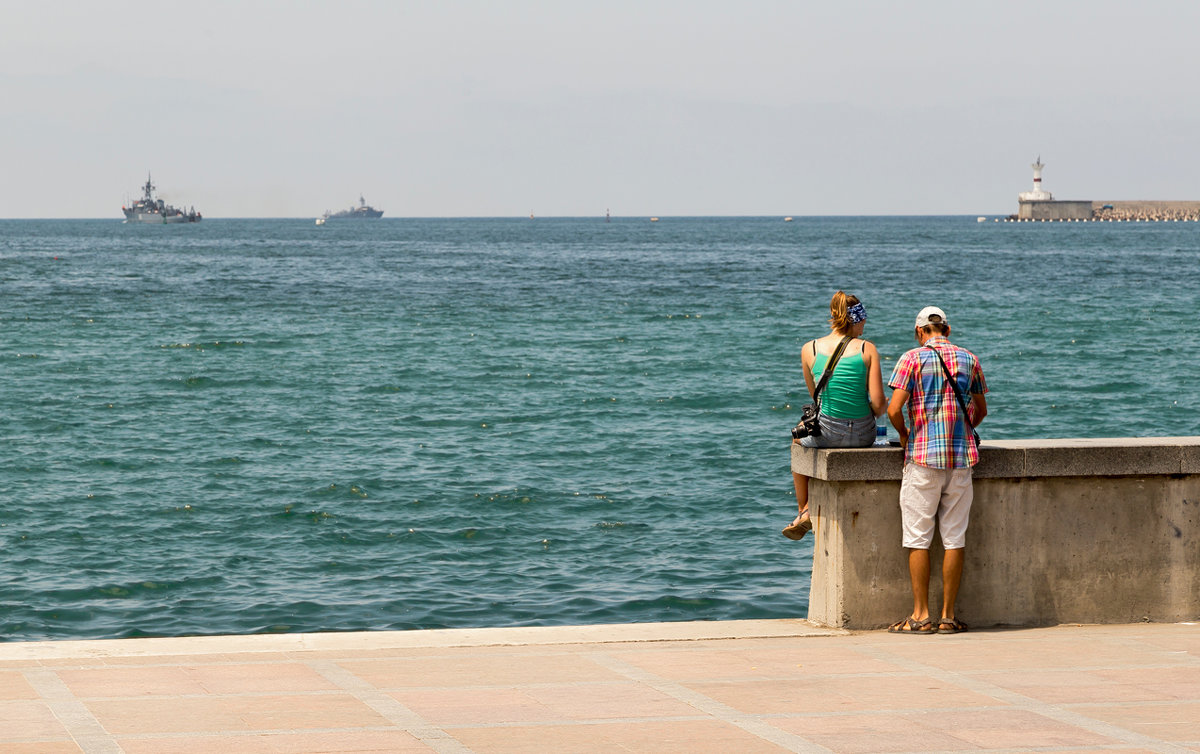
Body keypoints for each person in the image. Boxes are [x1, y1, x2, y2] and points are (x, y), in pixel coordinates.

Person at [886, 306, 987, 634]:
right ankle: (947, 616)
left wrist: (905, 434)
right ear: (948, 329)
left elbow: (893, 408)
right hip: (960, 461)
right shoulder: (969, 359)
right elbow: (981, 410)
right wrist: (959, 430)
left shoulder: (911, 359)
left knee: (918, 538)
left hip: (923, 459)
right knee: (954, 539)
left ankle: (920, 615)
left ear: (919, 332)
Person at [783, 291, 887, 540]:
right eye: (863, 320)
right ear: (856, 319)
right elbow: (880, 404)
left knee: (797, 439)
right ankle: (804, 510)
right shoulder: (867, 348)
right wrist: (868, 411)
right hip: (863, 435)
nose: (865, 325)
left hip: (826, 435)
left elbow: (815, 398)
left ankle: (803, 509)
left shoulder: (810, 349)